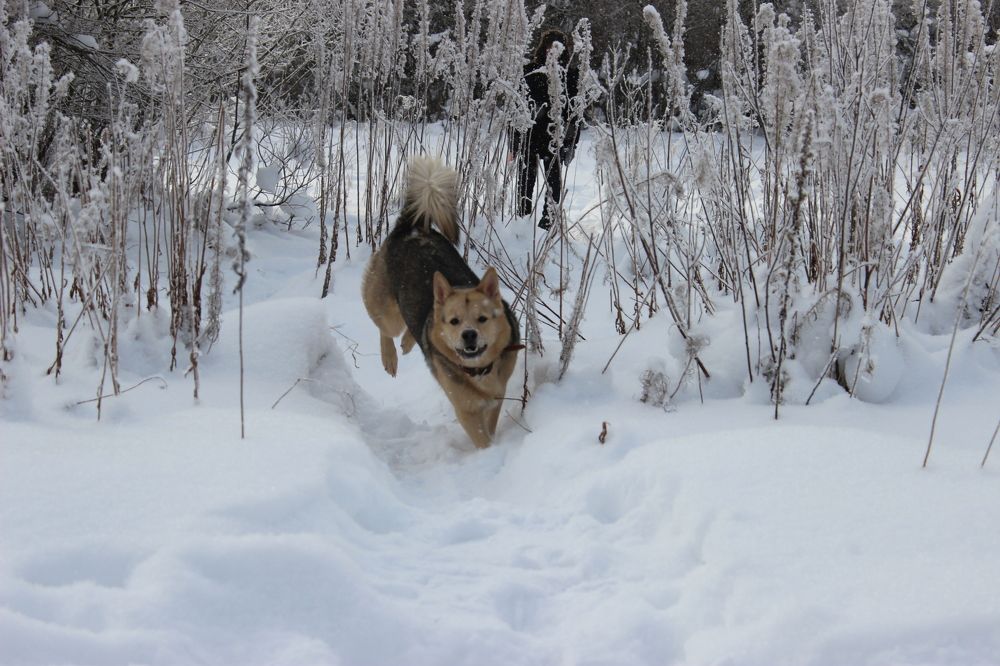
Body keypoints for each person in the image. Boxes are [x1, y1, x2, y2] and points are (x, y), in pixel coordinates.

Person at [511, 29, 581, 230]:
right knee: (525, 181)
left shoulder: (570, 75)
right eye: (550, 48)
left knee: (554, 183)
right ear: (543, 48)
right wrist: (514, 143)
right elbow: (516, 108)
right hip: (529, 134)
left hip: (555, 136)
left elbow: (575, 113)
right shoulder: (529, 71)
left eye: (557, 48)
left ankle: (548, 223)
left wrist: (572, 143)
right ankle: (522, 223)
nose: (553, 52)